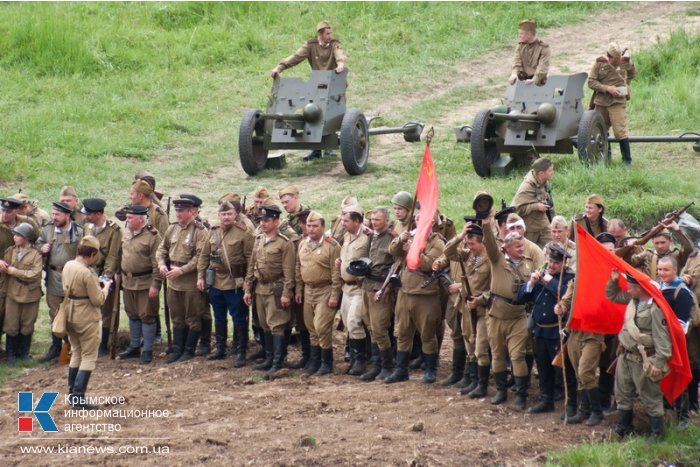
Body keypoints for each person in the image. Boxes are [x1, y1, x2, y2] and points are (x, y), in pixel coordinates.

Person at [606, 269, 671, 442]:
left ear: (640, 288)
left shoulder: (655, 309)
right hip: (625, 356)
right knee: (622, 393)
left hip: (644, 360)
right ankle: (624, 426)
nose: (627, 289)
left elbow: (662, 339)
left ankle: (657, 432)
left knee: (650, 396)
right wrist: (613, 281)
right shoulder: (633, 300)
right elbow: (612, 296)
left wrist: (658, 363)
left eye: (631, 287)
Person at [481, 209, 536, 409]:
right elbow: (489, 243)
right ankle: (501, 391)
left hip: (517, 315)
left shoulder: (528, 264)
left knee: (517, 356)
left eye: (522, 245)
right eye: (518, 246)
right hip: (496, 314)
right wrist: (487, 224)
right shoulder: (497, 260)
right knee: (498, 355)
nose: (522, 248)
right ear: (508, 247)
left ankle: (521, 394)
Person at [271, 21, 347, 161]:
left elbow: (339, 54)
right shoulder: (311, 46)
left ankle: (329, 147)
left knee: (332, 116)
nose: (330, 36)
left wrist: (341, 63)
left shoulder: (334, 44)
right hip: (317, 86)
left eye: (331, 33)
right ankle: (316, 151)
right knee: (313, 114)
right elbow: (295, 57)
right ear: (320, 34)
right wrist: (279, 68)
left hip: (334, 84)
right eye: (327, 34)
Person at [386, 211, 445, 384]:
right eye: (417, 218)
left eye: (422, 218)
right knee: (403, 332)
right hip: (405, 292)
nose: (418, 221)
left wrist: (413, 248)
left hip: (425, 295)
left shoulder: (437, 242)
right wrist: (401, 239)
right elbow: (392, 251)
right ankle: (401, 370)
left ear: (432, 222)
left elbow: (428, 265)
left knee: (427, 334)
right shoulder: (410, 236)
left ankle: (430, 369)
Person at [437, 220, 492, 397]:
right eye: (468, 243)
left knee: (480, 346)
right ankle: (473, 380)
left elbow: (495, 287)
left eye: (472, 243)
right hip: (466, 306)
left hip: (483, 308)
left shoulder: (491, 259)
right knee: (469, 342)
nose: (470, 246)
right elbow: (448, 251)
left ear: (482, 242)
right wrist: (460, 236)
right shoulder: (469, 255)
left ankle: (481, 384)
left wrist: (480, 299)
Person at [518, 245, 575, 413]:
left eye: (556, 262)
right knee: (543, 368)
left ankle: (571, 404)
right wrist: (531, 283)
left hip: (557, 331)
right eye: (550, 261)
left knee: (564, 370)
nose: (551, 265)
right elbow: (521, 296)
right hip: (540, 330)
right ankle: (546, 399)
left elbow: (566, 295)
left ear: (564, 263)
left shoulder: (569, 278)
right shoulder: (541, 274)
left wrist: (550, 280)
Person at [197, 200, 255, 367]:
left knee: (239, 319)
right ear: (218, 215)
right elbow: (204, 255)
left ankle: (241, 351)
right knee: (219, 317)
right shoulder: (213, 231)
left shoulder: (244, 232)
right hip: (216, 281)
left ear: (235, 215)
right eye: (223, 214)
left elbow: (251, 259)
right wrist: (201, 276)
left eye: (229, 214)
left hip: (235, 283)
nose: (226, 217)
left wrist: (248, 281)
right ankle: (221, 348)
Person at [244, 204, 295, 377]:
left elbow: (289, 272)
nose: (263, 224)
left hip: (276, 288)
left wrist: (287, 294)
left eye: (267, 221)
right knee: (264, 324)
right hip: (260, 288)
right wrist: (248, 289)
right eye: (261, 221)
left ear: (276, 221)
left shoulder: (284, 243)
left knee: (277, 325)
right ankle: (269, 357)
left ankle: (278, 362)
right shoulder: (258, 240)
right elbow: (252, 266)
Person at [156, 198, 208, 364]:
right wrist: (162, 264)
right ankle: (178, 350)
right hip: (173, 281)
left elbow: (200, 257)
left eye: (181, 211)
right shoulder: (172, 228)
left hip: (189, 282)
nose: (178, 213)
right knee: (176, 316)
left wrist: (182, 270)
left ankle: (189, 350)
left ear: (191, 212)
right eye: (177, 210)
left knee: (192, 317)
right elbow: (162, 249)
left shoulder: (199, 231)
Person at [63, 236, 112, 409]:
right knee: (89, 355)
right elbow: (98, 300)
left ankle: (71, 394)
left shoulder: (69, 265)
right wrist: (105, 288)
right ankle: (78, 396)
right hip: (86, 316)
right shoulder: (87, 273)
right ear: (92, 254)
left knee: (76, 352)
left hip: (70, 313)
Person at [295, 211, 342, 376]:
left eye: (315, 226)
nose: (311, 229)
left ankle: (326, 362)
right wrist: (299, 289)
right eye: (309, 225)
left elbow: (337, 273)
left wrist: (335, 295)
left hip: (325, 289)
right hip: (308, 290)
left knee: (321, 326)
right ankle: (314, 361)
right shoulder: (303, 244)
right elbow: (298, 268)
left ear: (322, 227)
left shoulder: (332, 246)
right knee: (311, 328)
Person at [36, 201, 84, 362]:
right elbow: (38, 243)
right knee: (54, 314)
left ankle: (74, 347)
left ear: (67, 215)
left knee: (74, 314)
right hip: (54, 277)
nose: (54, 217)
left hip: (72, 277)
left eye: (57, 214)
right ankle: (56, 347)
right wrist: (42, 248)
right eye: (53, 214)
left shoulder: (78, 231)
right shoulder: (48, 229)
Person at [118, 205, 163, 364]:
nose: (127, 220)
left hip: (145, 282)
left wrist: (156, 284)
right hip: (128, 281)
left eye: (130, 218)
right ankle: (134, 346)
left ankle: (148, 350)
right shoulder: (127, 232)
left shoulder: (153, 236)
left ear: (141, 219)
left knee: (147, 315)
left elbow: (158, 262)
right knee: (132, 314)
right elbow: (122, 254)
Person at [359, 207, 397, 381]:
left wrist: (386, 288)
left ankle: (388, 366)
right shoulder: (371, 237)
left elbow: (397, 266)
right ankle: (377, 365)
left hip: (381, 288)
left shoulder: (392, 239)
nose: (374, 222)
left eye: (378, 220)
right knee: (370, 326)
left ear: (387, 221)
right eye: (372, 219)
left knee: (380, 328)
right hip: (367, 285)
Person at [657, 256, 695, 429]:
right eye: (659, 269)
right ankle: (667, 409)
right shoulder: (658, 288)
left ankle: (683, 416)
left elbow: (682, 323)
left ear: (675, 270)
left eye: (666, 270)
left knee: (678, 374)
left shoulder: (682, 292)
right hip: (658, 341)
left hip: (676, 341)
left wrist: (669, 340)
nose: (662, 273)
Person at [82, 198, 122, 357]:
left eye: (89, 214)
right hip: (87, 272)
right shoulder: (88, 227)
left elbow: (112, 256)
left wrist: (106, 278)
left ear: (98, 214)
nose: (86, 217)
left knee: (106, 311)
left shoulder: (114, 230)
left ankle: (104, 344)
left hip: (103, 273)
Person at [588, 42, 636, 164]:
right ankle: (606, 156)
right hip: (601, 102)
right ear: (609, 57)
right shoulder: (599, 64)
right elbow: (591, 82)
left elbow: (632, 72)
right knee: (602, 130)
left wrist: (626, 83)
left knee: (620, 131)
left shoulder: (625, 62)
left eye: (619, 58)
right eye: (615, 59)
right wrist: (607, 88)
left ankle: (627, 160)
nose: (618, 60)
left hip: (617, 101)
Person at [0, 223, 42, 363]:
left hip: (30, 294)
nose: (15, 237)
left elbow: (35, 274)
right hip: (12, 292)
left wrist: (14, 271)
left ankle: (23, 352)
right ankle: (11, 354)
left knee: (27, 324)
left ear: (26, 238)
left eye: (18, 235)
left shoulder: (35, 254)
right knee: (11, 324)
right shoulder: (10, 251)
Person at [337, 205, 370, 375]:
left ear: (357, 221)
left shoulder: (367, 237)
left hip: (358, 288)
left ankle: (361, 361)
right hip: (346, 288)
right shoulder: (347, 235)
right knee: (347, 322)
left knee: (354, 321)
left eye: (346, 220)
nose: (343, 223)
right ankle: (356, 358)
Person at [511, 158, 555, 248]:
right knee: (528, 252)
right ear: (541, 173)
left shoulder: (543, 182)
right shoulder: (526, 187)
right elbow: (515, 209)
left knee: (554, 248)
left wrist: (554, 221)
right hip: (530, 229)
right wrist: (536, 206)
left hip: (543, 223)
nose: (552, 172)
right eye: (550, 171)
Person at [681, 250, 700, 413]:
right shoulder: (693, 257)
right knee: (693, 357)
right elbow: (682, 276)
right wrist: (685, 278)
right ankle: (693, 401)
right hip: (694, 313)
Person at [508, 19, 550, 86]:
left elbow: (543, 67)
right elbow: (516, 61)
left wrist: (534, 79)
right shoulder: (520, 46)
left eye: (521, 34)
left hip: (538, 80)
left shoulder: (543, 48)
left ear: (529, 34)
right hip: (524, 78)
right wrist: (514, 74)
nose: (519, 36)